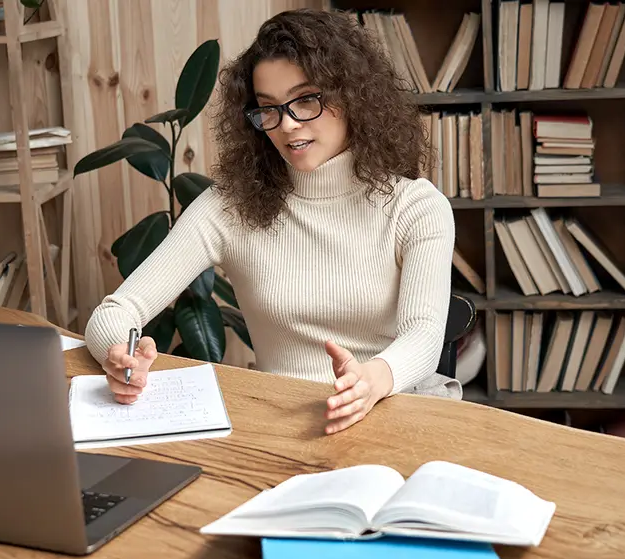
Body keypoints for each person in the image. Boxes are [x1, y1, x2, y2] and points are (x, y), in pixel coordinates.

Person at [84, 8, 456, 435]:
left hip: (394, 414)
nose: (288, 125)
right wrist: (119, 355)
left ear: (352, 94)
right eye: (269, 109)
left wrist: (370, 382)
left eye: (306, 100)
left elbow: (424, 336)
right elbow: (116, 311)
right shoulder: (229, 207)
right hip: (282, 426)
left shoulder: (415, 207)